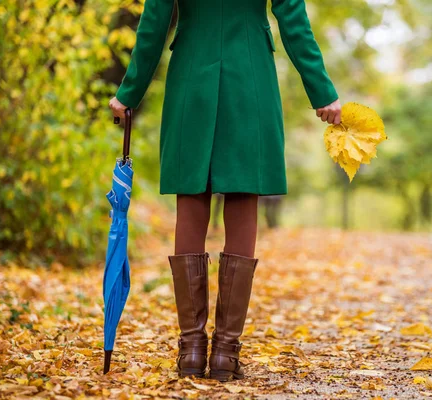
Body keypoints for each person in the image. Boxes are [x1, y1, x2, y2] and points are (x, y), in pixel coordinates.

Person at [109, 0, 341, 382]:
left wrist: (128, 93)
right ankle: (225, 354)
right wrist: (322, 91)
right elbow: (293, 21)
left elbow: (153, 23)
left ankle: (192, 349)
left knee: (192, 195)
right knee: (242, 197)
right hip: (249, 74)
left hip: (191, 74)